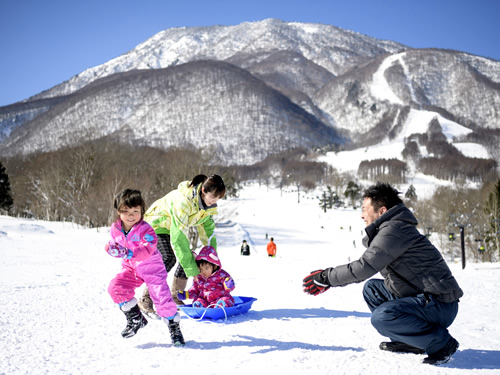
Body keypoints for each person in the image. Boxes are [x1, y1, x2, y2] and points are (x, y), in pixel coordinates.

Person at [303, 182, 463, 365]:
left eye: (365, 209)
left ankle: (441, 344)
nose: (362, 215)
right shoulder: (392, 228)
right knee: (372, 289)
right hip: (425, 298)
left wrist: (326, 277)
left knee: (383, 317)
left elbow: (364, 267)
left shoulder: (394, 231)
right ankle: (413, 341)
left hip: (440, 305)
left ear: (382, 211)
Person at [105, 189, 185, 346]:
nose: (131, 215)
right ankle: (136, 318)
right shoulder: (116, 229)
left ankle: (174, 327)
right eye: (126, 211)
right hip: (131, 267)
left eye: (136, 211)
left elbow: (147, 250)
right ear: (119, 211)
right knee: (116, 287)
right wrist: (111, 249)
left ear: (142, 211)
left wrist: (128, 252)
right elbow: (115, 245)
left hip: (152, 267)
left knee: (161, 298)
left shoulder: (146, 229)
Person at [139, 174, 226, 313]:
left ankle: (175, 295)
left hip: (169, 229)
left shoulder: (205, 206)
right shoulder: (183, 202)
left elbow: (209, 231)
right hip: (154, 226)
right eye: (213, 197)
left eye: (218, 198)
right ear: (203, 190)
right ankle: (145, 298)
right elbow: (178, 238)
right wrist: (192, 270)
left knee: (190, 257)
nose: (215, 201)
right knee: (168, 258)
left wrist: (212, 260)